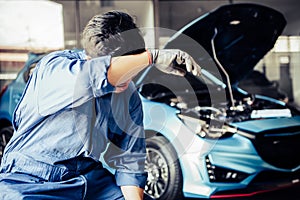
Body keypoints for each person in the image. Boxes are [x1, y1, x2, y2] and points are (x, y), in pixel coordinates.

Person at [0, 11, 201, 200]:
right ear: (90, 58)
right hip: (29, 178)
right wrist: (153, 57)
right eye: (120, 71)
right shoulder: (54, 68)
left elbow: (130, 163)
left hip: (89, 181)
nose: (124, 82)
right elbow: (90, 79)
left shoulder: (130, 98)